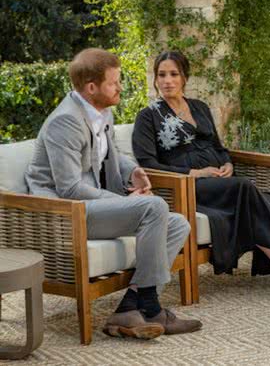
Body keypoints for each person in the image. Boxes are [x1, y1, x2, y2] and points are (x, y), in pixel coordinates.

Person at [25, 48, 202, 339]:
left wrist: (133, 170)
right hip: (64, 214)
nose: (120, 87)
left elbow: (113, 153)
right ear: (91, 87)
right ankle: (152, 307)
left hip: (87, 207)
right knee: (154, 207)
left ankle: (129, 307)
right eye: (114, 82)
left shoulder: (100, 110)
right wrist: (124, 201)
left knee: (178, 223)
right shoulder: (65, 122)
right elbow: (69, 188)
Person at [132, 51, 270, 299]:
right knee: (245, 188)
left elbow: (218, 146)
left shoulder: (199, 108)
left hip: (220, 181)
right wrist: (194, 173)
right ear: (155, 78)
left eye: (174, 74)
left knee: (254, 197)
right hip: (188, 187)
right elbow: (148, 164)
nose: (167, 80)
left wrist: (227, 163)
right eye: (161, 75)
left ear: (184, 77)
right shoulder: (148, 116)